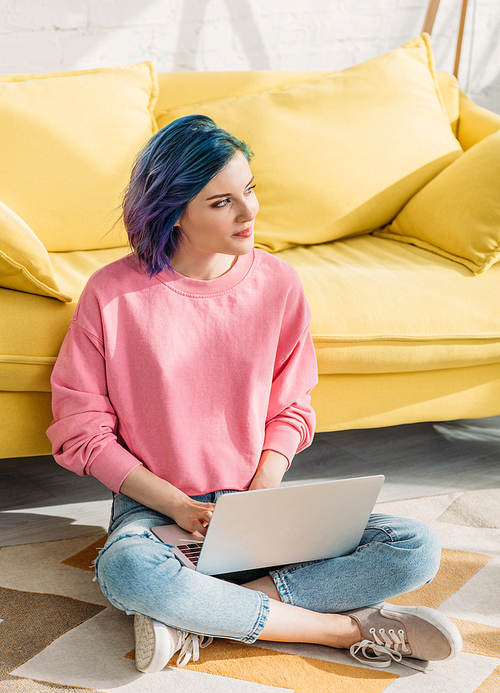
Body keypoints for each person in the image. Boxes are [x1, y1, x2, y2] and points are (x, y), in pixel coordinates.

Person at [47, 115, 462, 674]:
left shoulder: (278, 284)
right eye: (221, 202)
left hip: (257, 501)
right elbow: (83, 432)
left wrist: (260, 495)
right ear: (173, 212)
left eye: (249, 190)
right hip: (156, 507)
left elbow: (291, 407)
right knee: (129, 572)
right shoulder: (113, 294)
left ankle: (196, 614)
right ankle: (341, 631)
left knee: (415, 546)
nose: (249, 213)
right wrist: (182, 508)